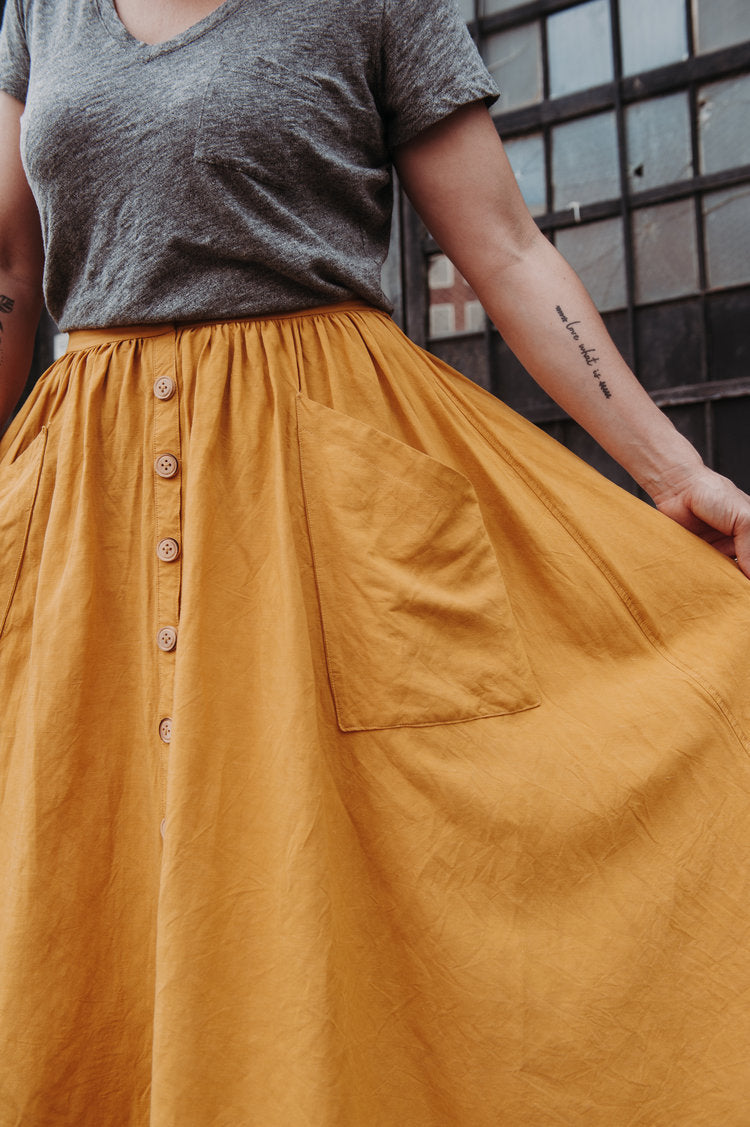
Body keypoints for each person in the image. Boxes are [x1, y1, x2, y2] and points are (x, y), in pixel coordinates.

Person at [1, 1, 750, 1124]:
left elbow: (504, 247)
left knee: (326, 884)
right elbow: (10, 268)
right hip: (84, 503)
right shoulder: (38, 9)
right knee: (78, 859)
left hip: (319, 506)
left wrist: (674, 472)